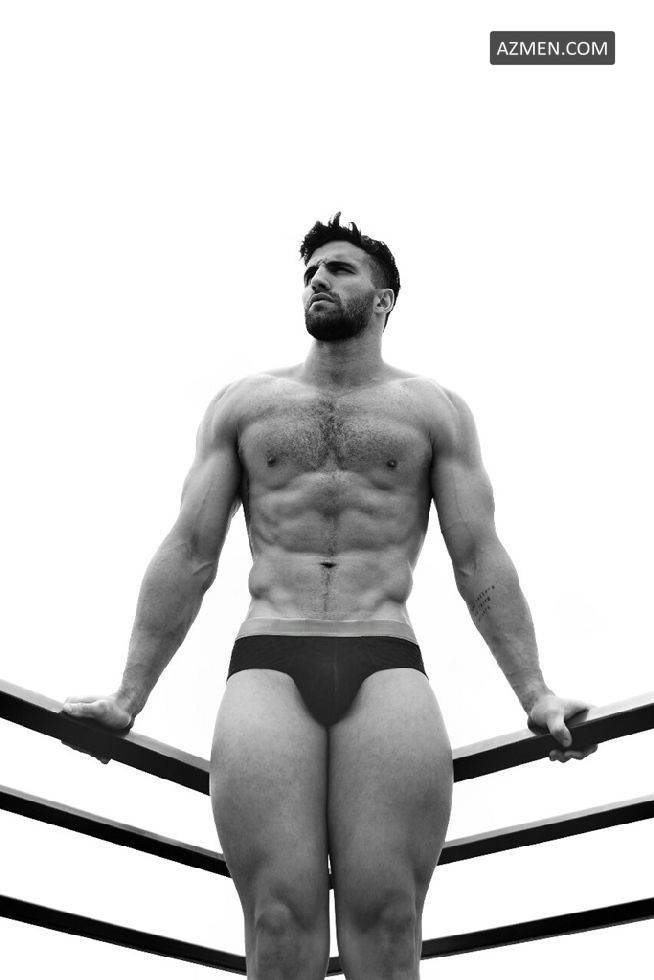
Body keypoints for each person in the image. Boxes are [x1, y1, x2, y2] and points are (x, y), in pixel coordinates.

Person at [63, 213, 597, 980]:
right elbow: (189, 551)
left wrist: (536, 693)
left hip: (385, 658)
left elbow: (479, 556)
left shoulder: (433, 410)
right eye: (311, 271)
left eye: (340, 269)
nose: (318, 279)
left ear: (383, 300)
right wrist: (128, 696)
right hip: (269, 658)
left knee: (389, 917)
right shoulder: (245, 403)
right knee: (279, 921)